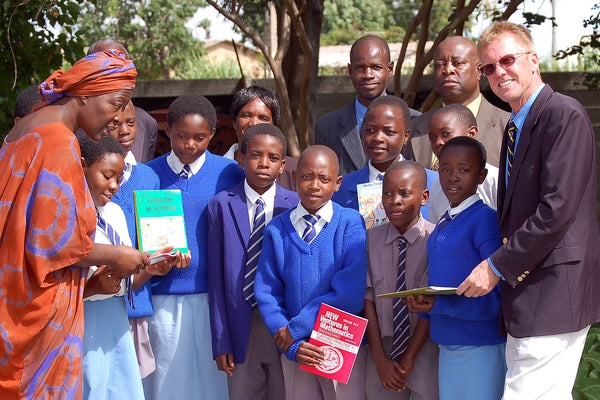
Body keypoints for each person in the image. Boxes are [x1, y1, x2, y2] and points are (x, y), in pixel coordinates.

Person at [458, 21, 600, 399]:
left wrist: (496, 266)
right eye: (488, 68)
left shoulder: (562, 115)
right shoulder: (515, 126)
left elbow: (556, 211)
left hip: (553, 295)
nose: (499, 72)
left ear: (533, 60)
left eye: (507, 60)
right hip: (530, 299)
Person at [0, 50, 149, 398]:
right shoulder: (59, 141)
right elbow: (55, 243)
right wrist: (117, 255)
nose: (116, 118)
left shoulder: (22, 130)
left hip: (14, 297)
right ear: (84, 92)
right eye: (115, 103)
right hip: (37, 318)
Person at [145, 94, 245, 400]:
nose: (190, 144)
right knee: (166, 381)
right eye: (181, 136)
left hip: (211, 297)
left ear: (212, 135)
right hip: (163, 296)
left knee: (212, 385)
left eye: (200, 138)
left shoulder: (229, 173)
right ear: (167, 131)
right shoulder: (148, 175)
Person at [254, 145, 368, 400]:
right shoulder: (277, 229)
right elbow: (267, 292)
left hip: (342, 343)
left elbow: (349, 293)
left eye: (324, 179)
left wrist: (297, 327)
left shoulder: (350, 223)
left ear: (337, 183)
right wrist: (290, 343)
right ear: (294, 179)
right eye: (306, 176)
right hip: (298, 348)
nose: (314, 185)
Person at [408, 137, 505, 399]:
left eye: (464, 170)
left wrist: (437, 306)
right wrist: (426, 305)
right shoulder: (444, 221)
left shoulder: (485, 220)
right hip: (449, 344)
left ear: (481, 175)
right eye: (446, 169)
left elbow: (495, 297)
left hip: (479, 345)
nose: (453, 177)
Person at [207, 123, 298, 399]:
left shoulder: (295, 204)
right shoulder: (221, 204)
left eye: (273, 158)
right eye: (256, 155)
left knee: (286, 391)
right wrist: (221, 340)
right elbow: (216, 280)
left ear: (282, 166)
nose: (264, 163)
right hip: (240, 325)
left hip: (285, 322)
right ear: (240, 159)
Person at [363, 161, 439, 400]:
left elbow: (432, 302)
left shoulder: (436, 240)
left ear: (424, 197)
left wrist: (408, 358)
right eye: (387, 193)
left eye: (405, 193)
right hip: (381, 347)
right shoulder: (369, 240)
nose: (394, 200)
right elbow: (368, 301)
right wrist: (379, 359)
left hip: (424, 350)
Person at [106, 100, 163, 379]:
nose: (125, 131)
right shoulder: (86, 175)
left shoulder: (148, 177)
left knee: (132, 385)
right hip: (96, 300)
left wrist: (165, 257)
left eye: (131, 123)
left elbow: (155, 239)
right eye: (115, 124)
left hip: (136, 303)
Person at [315, 35, 420, 176]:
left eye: (376, 67)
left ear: (389, 69)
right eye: (360, 68)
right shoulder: (327, 126)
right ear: (350, 71)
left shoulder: (417, 122)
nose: (368, 75)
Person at [404, 36, 510, 169]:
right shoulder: (414, 129)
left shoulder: (508, 127)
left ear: (479, 71)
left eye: (457, 63)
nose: (448, 70)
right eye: (439, 65)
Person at [332, 95, 437, 220]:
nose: (378, 138)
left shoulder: (434, 183)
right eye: (370, 130)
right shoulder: (342, 188)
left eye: (389, 132)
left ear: (406, 136)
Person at [88, 37, 158, 163]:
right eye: (107, 68)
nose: (115, 76)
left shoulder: (146, 122)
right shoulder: (73, 124)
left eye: (121, 68)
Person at [426, 104, 498, 223]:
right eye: (432, 138)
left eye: (446, 134)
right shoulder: (437, 186)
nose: (438, 142)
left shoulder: (494, 179)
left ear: (471, 133)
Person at [225, 86, 298, 190]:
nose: (254, 123)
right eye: (246, 115)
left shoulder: (294, 171)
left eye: (263, 118)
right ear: (234, 122)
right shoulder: (216, 170)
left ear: (274, 125)